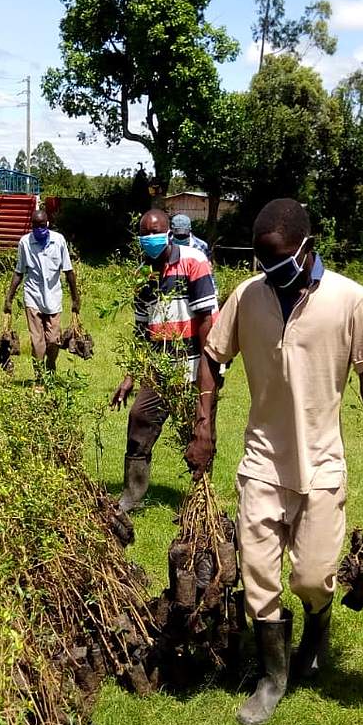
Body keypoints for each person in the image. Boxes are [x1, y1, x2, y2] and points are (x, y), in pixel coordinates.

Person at [184, 198, 363, 725]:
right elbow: (212, 360)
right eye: (264, 263)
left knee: (313, 576)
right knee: (259, 577)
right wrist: (204, 424)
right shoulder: (248, 296)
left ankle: (317, 628)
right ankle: (273, 677)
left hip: (322, 466)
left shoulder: (350, 300)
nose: (272, 273)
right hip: (261, 462)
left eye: (281, 261)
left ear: (308, 246)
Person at [111, 209, 219, 514]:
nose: (150, 239)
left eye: (155, 232)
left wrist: (209, 373)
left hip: (195, 364)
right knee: (139, 419)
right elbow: (141, 330)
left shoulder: (193, 262)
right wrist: (131, 376)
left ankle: (201, 501)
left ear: (169, 232)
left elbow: (207, 321)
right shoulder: (141, 275)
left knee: (199, 431)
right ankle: (132, 494)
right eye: (144, 234)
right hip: (159, 367)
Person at [3, 209, 81, 377]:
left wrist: (75, 298)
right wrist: (9, 298)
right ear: (31, 226)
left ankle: (50, 366)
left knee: (53, 341)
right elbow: (19, 272)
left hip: (53, 297)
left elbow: (68, 271)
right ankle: (39, 377)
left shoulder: (58, 241)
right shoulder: (25, 242)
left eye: (42, 225)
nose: (39, 229)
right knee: (37, 342)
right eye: (35, 226)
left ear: (47, 224)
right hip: (33, 297)